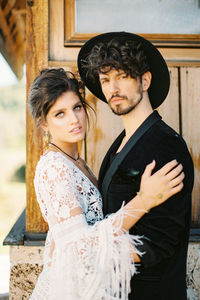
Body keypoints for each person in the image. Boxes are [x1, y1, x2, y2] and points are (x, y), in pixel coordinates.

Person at [29, 68, 184, 300]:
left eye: (77, 107)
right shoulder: (53, 168)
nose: (74, 119)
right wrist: (144, 201)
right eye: (59, 114)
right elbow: (79, 248)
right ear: (44, 124)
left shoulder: (76, 162)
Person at [78, 32, 194, 300]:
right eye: (105, 80)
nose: (112, 88)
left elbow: (159, 244)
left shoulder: (166, 146)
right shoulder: (120, 143)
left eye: (121, 76)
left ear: (145, 80)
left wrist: (86, 252)